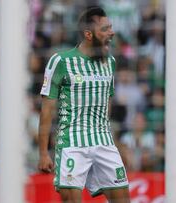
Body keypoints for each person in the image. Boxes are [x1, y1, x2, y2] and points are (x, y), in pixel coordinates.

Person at [38, 6, 130, 203]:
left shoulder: (110, 62)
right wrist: (44, 153)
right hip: (72, 142)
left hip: (103, 141)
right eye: (105, 29)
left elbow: (107, 103)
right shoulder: (61, 61)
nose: (111, 32)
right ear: (88, 34)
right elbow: (46, 111)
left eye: (111, 27)